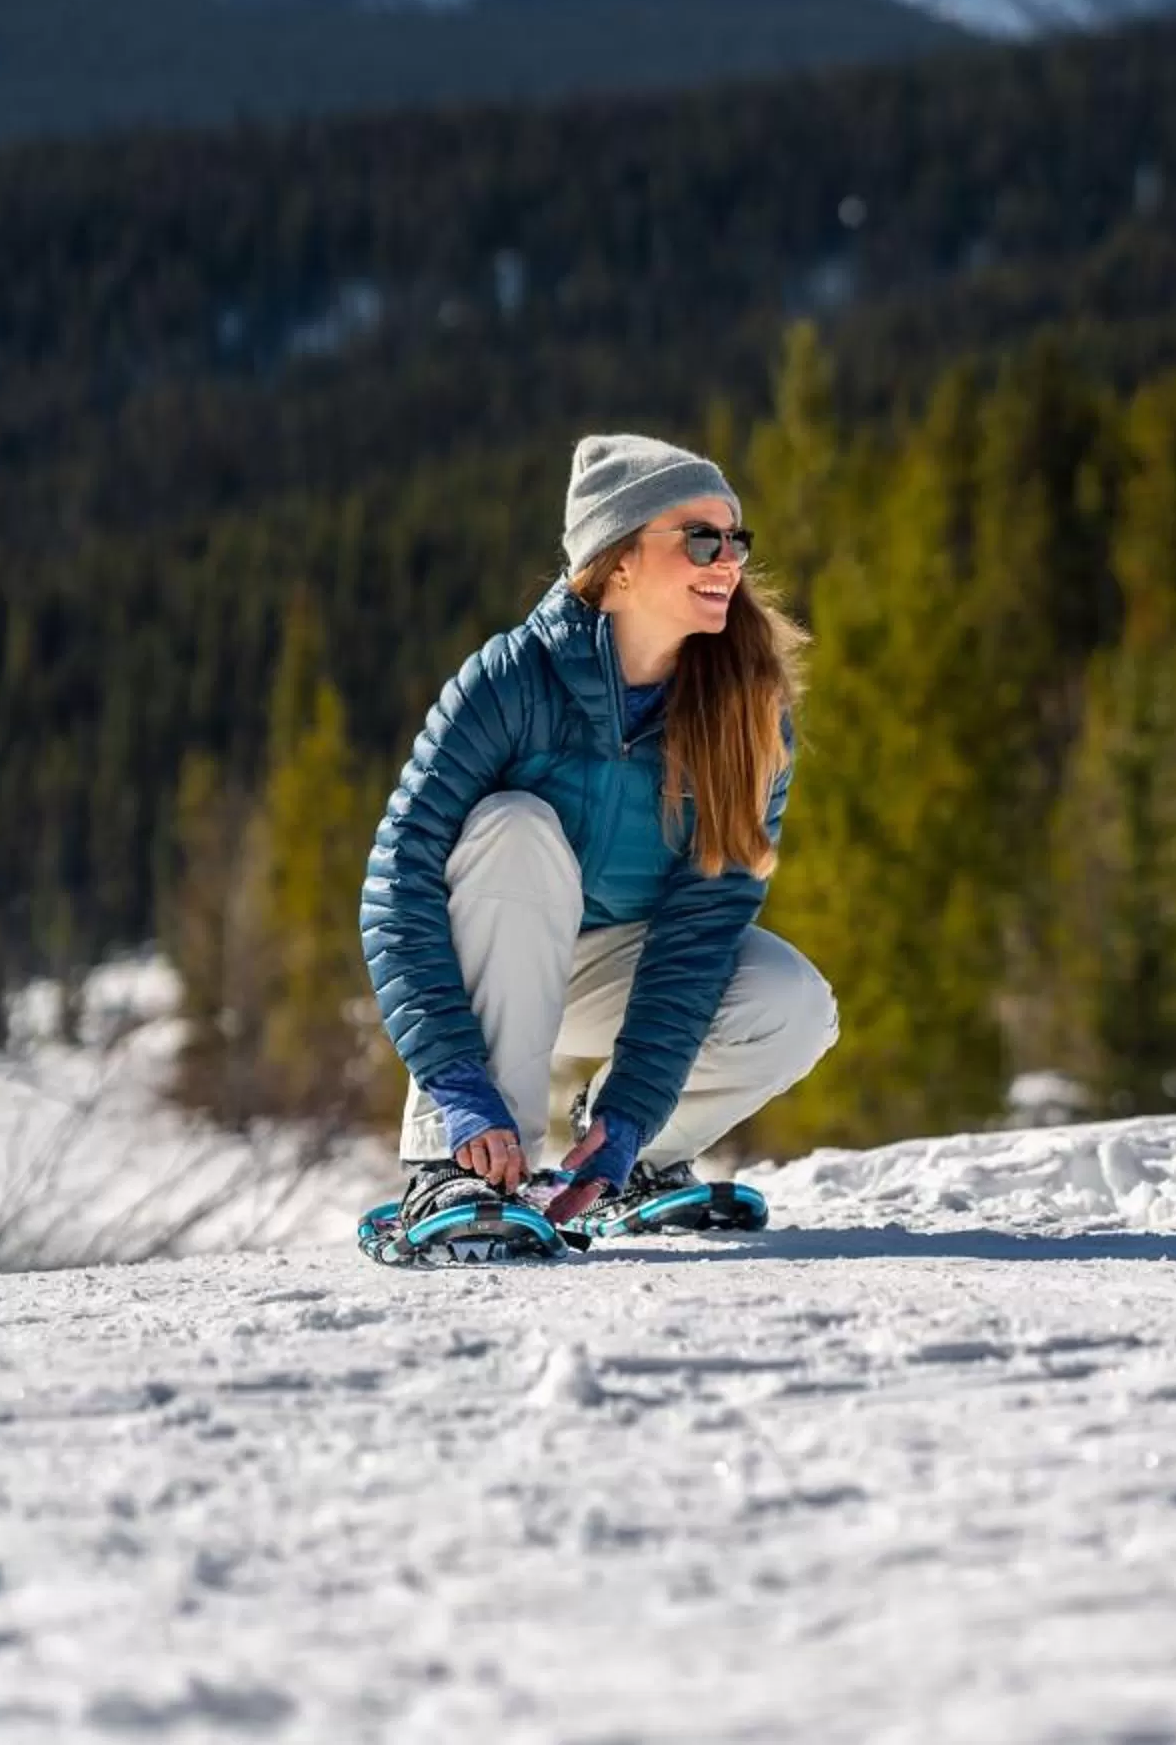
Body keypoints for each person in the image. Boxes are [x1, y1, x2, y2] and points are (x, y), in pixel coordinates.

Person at [359, 429, 839, 1243]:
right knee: (514, 827)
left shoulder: (749, 715)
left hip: (614, 972)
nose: (729, 558)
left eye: (734, 538)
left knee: (792, 1004)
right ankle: (461, 1167)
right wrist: (457, 1086)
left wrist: (630, 1117)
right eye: (700, 538)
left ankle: (636, 1161)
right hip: (495, 959)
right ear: (616, 566)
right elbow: (398, 882)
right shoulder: (508, 682)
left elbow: (700, 934)